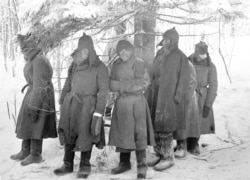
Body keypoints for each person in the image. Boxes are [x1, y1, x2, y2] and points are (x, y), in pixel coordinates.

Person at [54, 34, 109, 179]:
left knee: (86, 135)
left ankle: (85, 165)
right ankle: (67, 164)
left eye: (86, 50)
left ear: (91, 50)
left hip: (88, 106)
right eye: (81, 50)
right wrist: (62, 99)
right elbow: (68, 82)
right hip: (71, 104)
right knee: (69, 133)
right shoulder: (75, 64)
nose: (84, 53)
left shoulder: (99, 67)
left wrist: (99, 112)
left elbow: (103, 92)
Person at [108, 40, 155, 179]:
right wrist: (127, 85)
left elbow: (141, 84)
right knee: (123, 132)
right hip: (121, 103)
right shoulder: (116, 65)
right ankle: (124, 163)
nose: (123, 53)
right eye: (120, 51)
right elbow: (111, 84)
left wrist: (121, 85)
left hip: (136, 102)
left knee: (139, 134)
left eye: (126, 50)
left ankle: (142, 165)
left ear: (131, 50)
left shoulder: (139, 63)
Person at [10, 34, 57, 166]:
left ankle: (35, 154)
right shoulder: (33, 59)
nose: (24, 52)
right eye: (23, 50)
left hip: (41, 94)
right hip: (33, 91)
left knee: (36, 122)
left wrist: (35, 105)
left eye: (26, 49)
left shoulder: (39, 61)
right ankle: (25, 150)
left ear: (32, 48)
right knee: (26, 120)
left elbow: (40, 85)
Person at [147, 27, 190, 171]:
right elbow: (152, 72)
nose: (165, 41)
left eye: (168, 39)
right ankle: (159, 153)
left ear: (173, 41)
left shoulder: (180, 57)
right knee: (155, 126)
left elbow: (185, 79)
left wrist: (177, 97)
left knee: (165, 128)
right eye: (164, 39)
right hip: (156, 94)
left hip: (169, 97)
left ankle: (168, 157)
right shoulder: (159, 53)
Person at [187, 41, 218, 155]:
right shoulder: (187, 62)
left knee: (198, 120)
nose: (202, 57)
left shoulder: (210, 65)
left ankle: (194, 143)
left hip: (201, 96)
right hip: (188, 94)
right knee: (186, 119)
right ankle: (184, 143)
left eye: (204, 53)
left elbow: (213, 86)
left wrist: (208, 104)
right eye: (199, 53)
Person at [173, 61, 200, 159]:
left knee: (184, 121)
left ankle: (182, 146)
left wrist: (182, 97)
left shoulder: (186, 64)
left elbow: (192, 82)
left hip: (186, 98)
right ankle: (179, 144)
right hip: (175, 97)